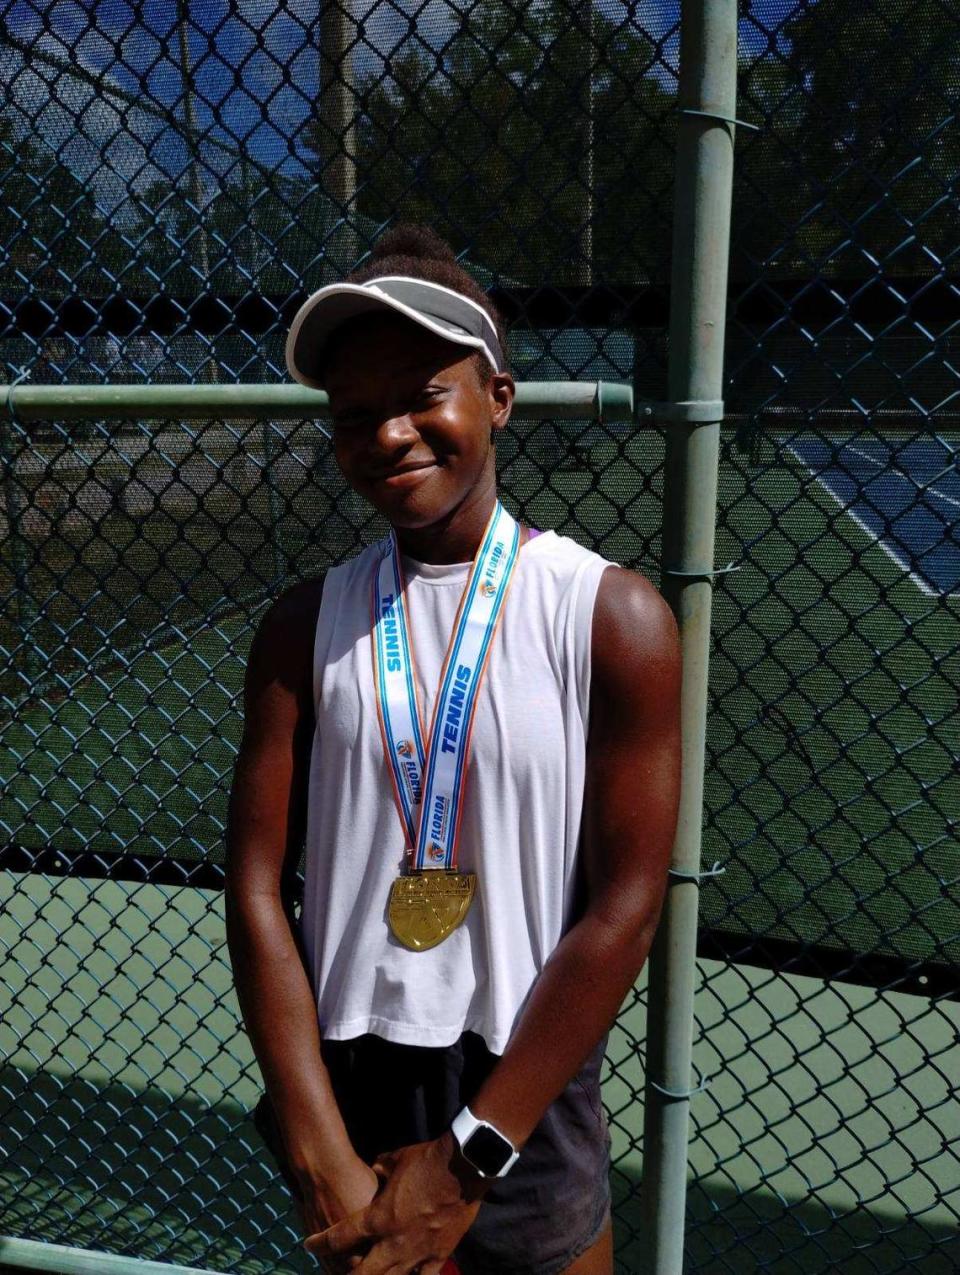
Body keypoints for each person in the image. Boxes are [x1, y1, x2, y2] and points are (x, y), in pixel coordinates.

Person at [224, 224, 681, 1275]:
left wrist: (471, 1155)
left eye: (422, 393)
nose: (388, 435)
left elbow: (625, 905)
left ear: (499, 400)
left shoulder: (612, 617)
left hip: (522, 1091)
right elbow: (255, 885)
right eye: (353, 415)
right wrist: (316, 1148)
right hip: (349, 1093)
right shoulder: (302, 626)